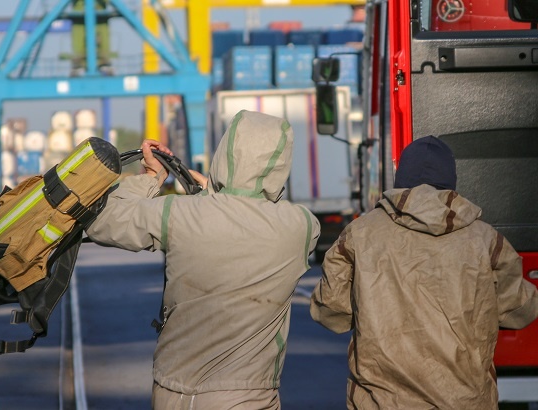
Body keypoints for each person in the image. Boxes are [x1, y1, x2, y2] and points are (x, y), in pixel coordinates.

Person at [86, 110, 320, 409]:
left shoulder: (179, 213)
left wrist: (153, 177)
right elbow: (254, 213)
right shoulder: (302, 226)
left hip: (173, 393)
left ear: (224, 154)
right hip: (247, 398)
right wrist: (221, 195)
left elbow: (103, 220)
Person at [310, 135, 538, 409]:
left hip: (382, 402)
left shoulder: (358, 235)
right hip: (465, 401)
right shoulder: (486, 240)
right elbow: (520, 310)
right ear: (451, 181)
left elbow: (330, 312)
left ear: (400, 179)